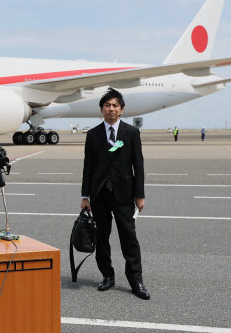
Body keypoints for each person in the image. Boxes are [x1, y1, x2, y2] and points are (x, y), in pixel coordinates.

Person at [80, 87, 149, 300]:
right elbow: (88, 166)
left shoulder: (131, 133)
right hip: (99, 194)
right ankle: (107, 276)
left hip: (124, 194)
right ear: (101, 109)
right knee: (102, 238)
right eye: (107, 105)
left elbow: (138, 163)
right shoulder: (93, 134)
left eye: (115, 106)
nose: (111, 109)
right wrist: (85, 196)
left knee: (129, 237)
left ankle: (136, 279)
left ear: (122, 109)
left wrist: (140, 195)